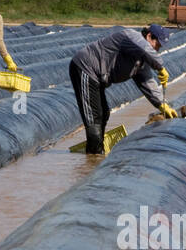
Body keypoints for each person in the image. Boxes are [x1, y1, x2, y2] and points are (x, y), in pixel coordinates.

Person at [69, 24, 176, 154]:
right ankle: (93, 157)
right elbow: (145, 50)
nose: (157, 50)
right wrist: (160, 67)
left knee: (104, 114)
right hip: (85, 68)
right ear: (149, 36)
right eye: (157, 45)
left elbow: (147, 82)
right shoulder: (131, 36)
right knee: (94, 117)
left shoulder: (141, 61)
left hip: (98, 77)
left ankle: (96, 150)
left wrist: (162, 104)